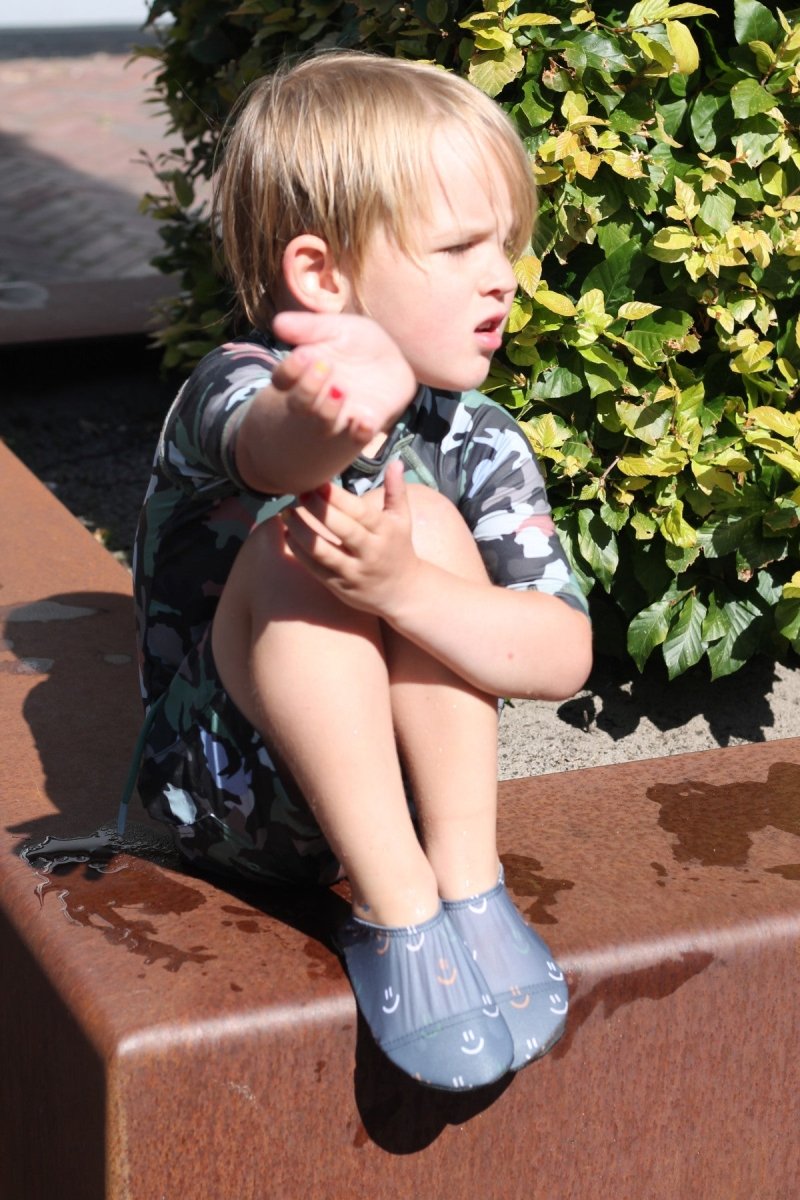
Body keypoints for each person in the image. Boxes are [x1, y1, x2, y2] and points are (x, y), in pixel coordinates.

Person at [133, 50, 592, 1092]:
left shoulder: (479, 435)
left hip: (424, 813)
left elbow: (561, 654)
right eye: (460, 245)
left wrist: (407, 591)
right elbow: (272, 450)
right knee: (316, 529)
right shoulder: (243, 387)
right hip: (226, 797)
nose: (502, 274)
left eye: (507, 243)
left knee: (420, 530)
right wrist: (341, 414)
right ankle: (397, 910)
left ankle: (467, 885)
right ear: (322, 277)